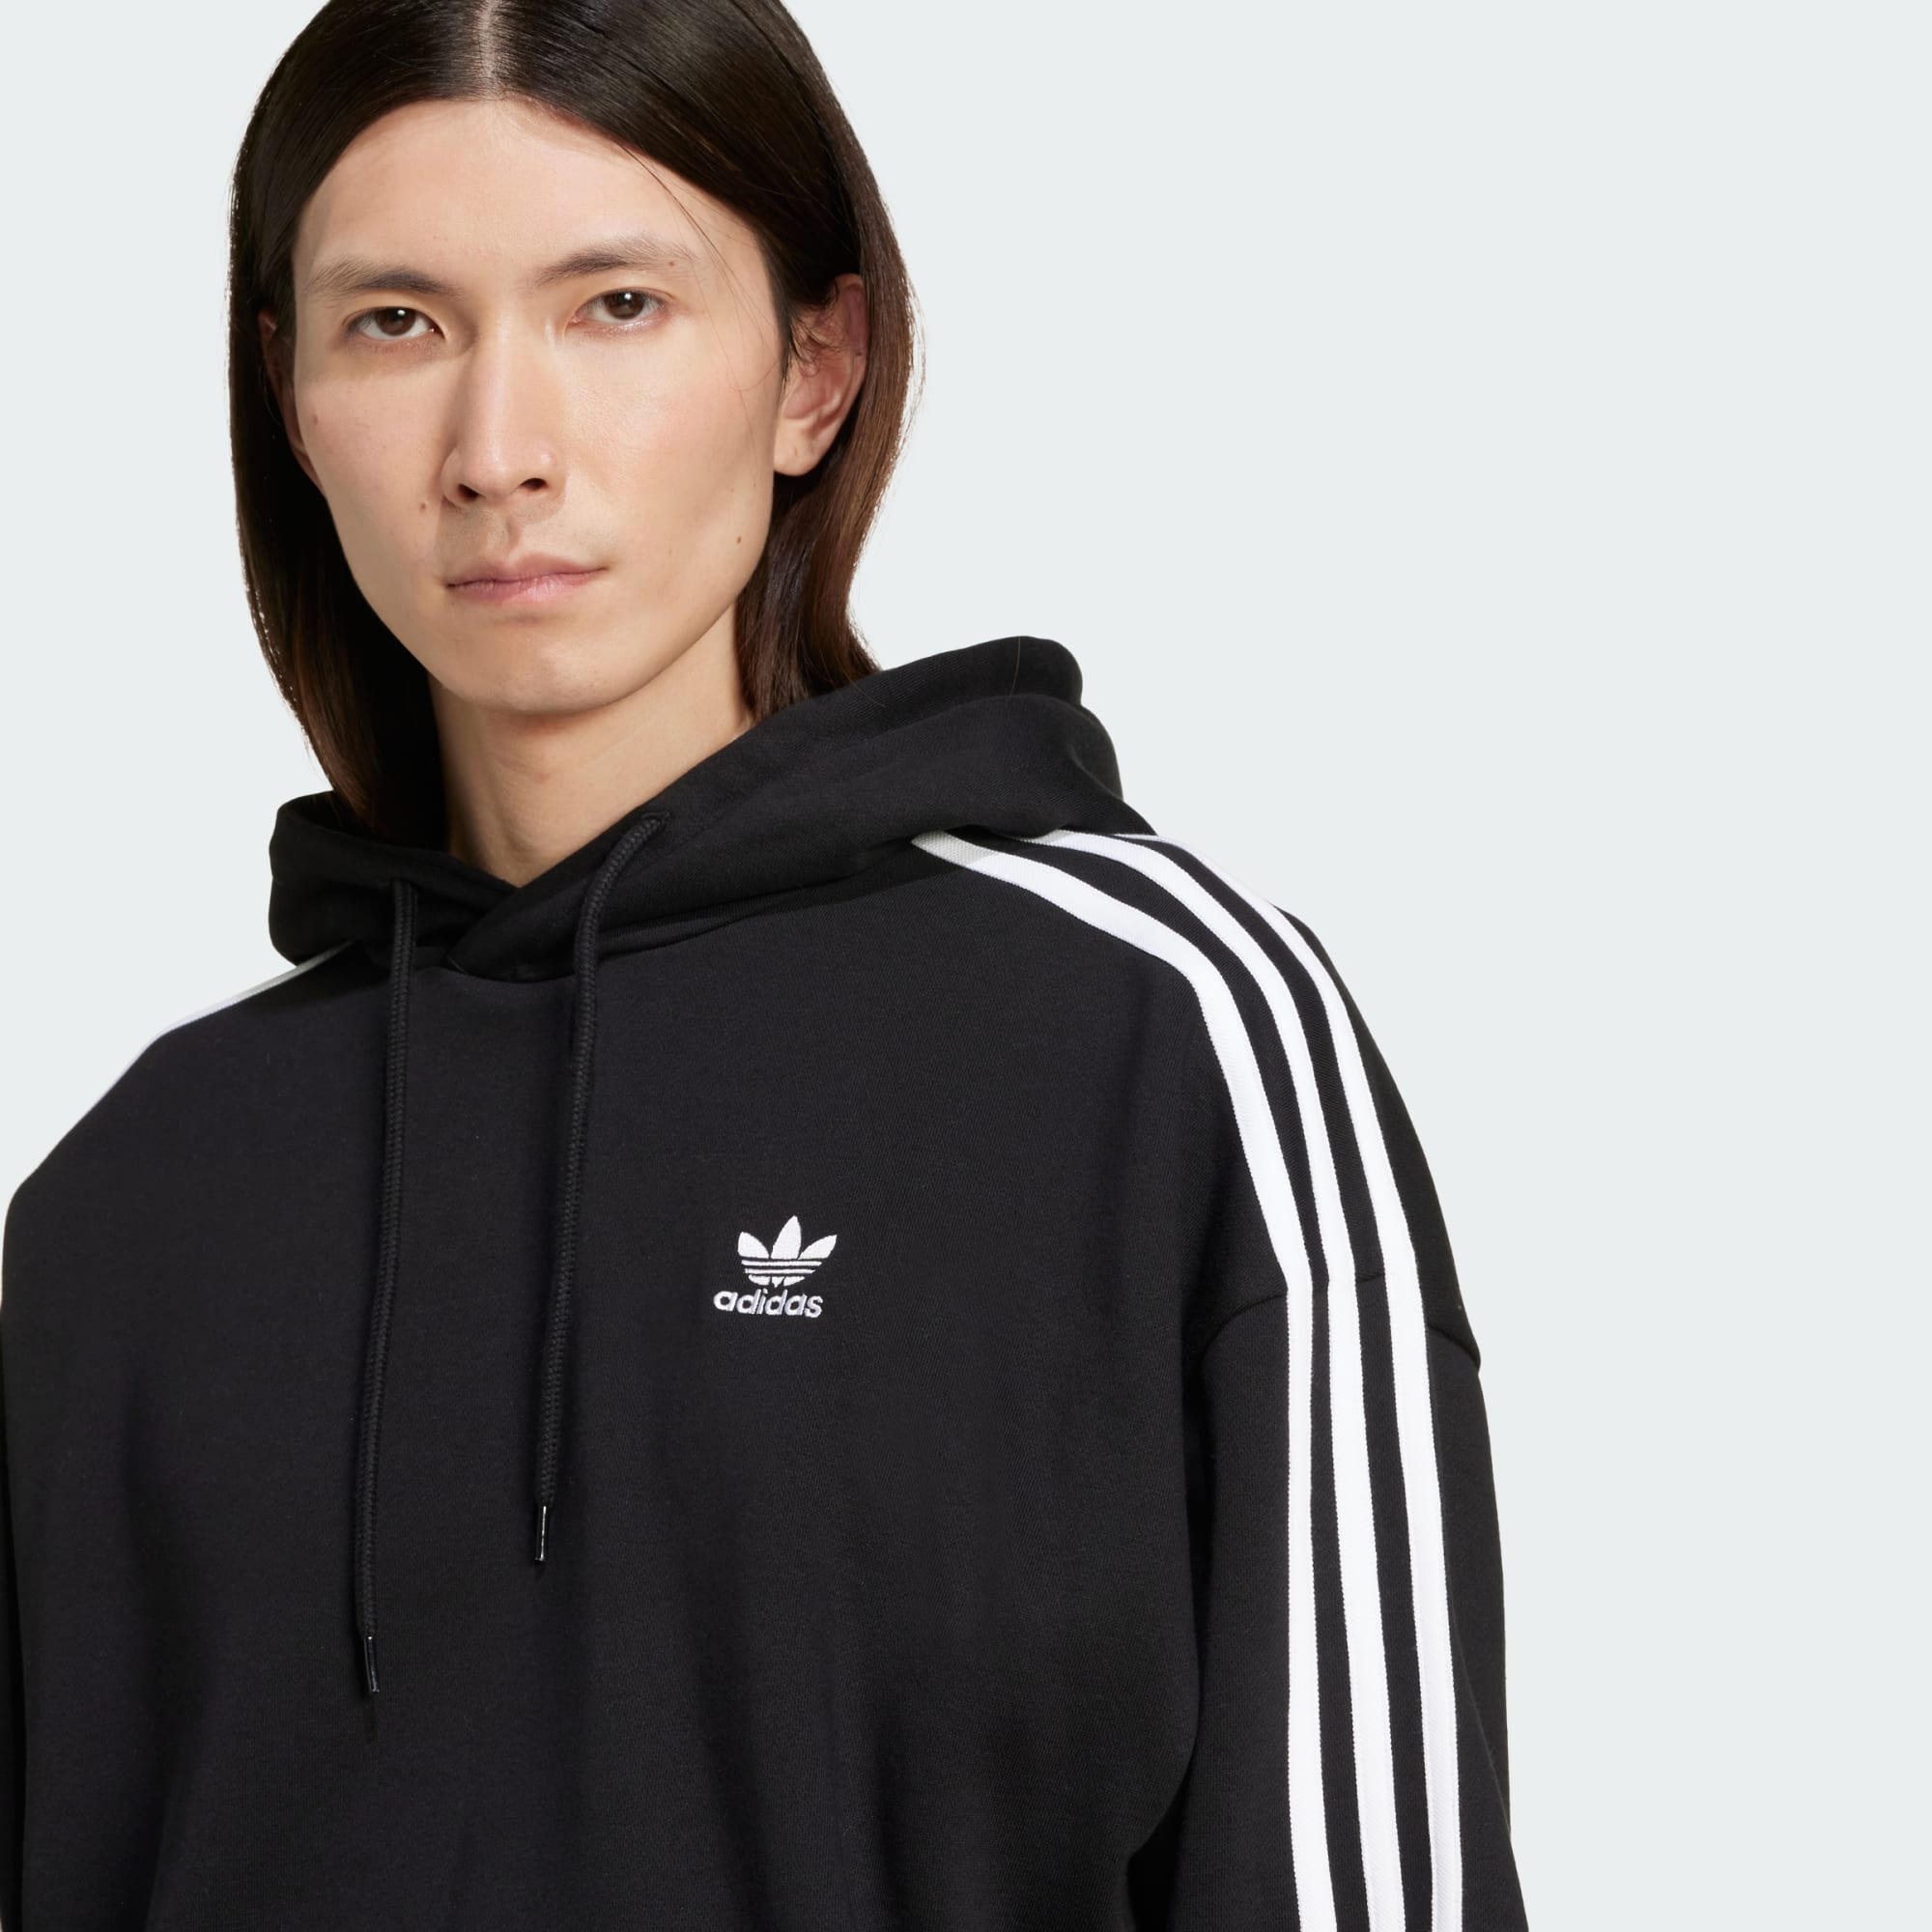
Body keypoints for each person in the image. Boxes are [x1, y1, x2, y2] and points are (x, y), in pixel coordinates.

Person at [0, 0, 1529, 1924]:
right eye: (396, 323)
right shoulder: (131, 1194)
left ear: (817, 369)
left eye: (615, 306)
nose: (498, 451)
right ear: (290, 400)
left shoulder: (1157, 1038)